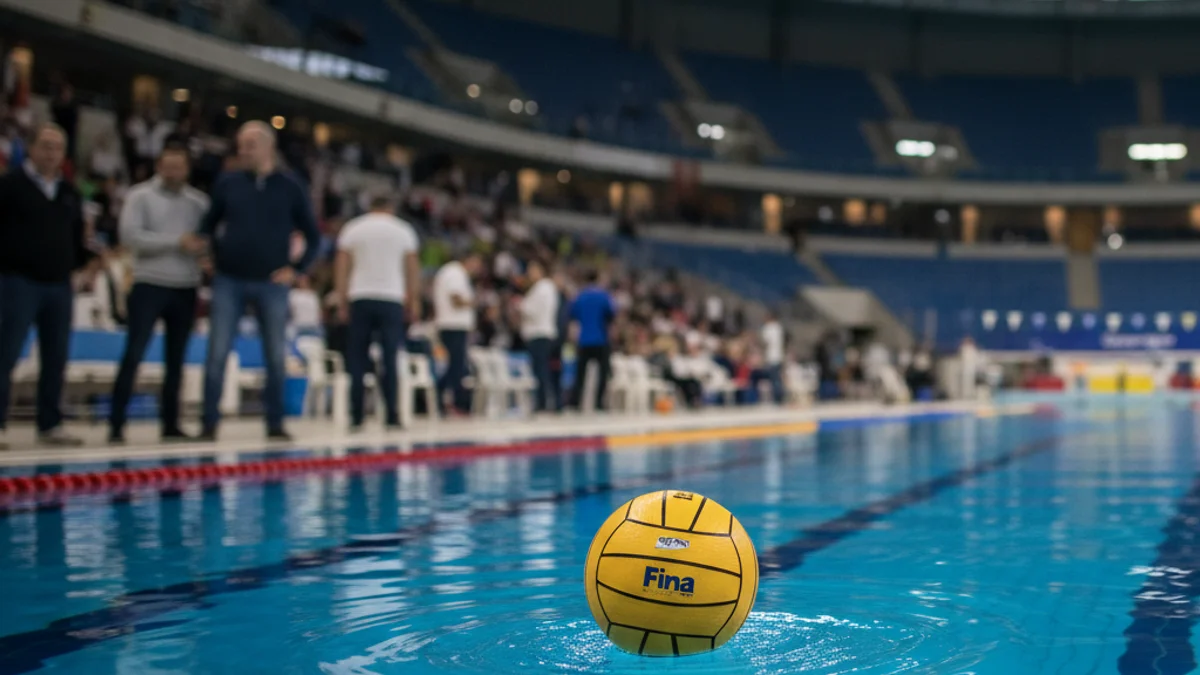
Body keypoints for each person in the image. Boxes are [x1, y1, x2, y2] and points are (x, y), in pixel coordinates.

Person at [197, 121, 320, 441]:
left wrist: (297, 269)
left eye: (249, 144)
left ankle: (275, 423)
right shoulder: (228, 183)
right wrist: (206, 256)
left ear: (268, 147)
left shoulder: (290, 186)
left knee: (276, 356)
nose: (242, 151)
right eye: (240, 144)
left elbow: (313, 235)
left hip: (271, 282)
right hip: (229, 279)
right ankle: (208, 423)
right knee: (217, 352)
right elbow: (207, 225)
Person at [0, 123, 93, 448]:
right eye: (45, 146)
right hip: (17, 281)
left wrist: (80, 267)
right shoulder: (10, 186)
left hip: (58, 285)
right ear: (31, 148)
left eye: (57, 148)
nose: (51, 153)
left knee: (56, 357)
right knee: (6, 353)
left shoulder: (69, 192)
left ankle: (50, 424)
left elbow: (78, 237)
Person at [108, 146, 209, 443]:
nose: (173, 172)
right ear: (159, 166)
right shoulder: (140, 196)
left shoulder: (198, 202)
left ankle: (170, 424)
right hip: (148, 283)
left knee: (176, 360)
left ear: (187, 169)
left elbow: (206, 239)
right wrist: (177, 242)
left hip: (185, 286)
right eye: (168, 166)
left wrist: (201, 248)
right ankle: (116, 423)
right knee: (134, 352)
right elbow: (130, 236)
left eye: (179, 167)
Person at [334, 195, 420, 431]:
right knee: (390, 358)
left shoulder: (354, 228)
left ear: (369, 206)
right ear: (390, 207)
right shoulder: (403, 230)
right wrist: (413, 301)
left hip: (360, 296)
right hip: (391, 298)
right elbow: (411, 269)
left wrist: (341, 300)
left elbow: (342, 266)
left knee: (357, 358)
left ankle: (357, 416)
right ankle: (391, 415)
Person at [433, 253, 482, 414]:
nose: (478, 268)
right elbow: (456, 299)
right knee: (456, 366)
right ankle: (453, 401)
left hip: (452, 325)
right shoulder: (455, 273)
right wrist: (474, 302)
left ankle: (443, 398)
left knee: (455, 365)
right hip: (453, 326)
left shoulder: (453, 273)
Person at [569, 270, 615, 411]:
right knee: (602, 373)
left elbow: (573, 315)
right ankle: (599, 403)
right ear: (598, 279)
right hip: (601, 339)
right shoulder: (603, 296)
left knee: (580, 374)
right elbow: (611, 315)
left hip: (583, 339)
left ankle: (576, 403)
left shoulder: (580, 296)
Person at [519, 260, 558, 412]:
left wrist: (521, 306)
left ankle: (542, 402)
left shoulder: (543, 288)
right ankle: (542, 401)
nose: (529, 273)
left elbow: (534, 311)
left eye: (532, 269)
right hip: (540, 333)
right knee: (539, 369)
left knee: (540, 370)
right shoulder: (543, 288)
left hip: (539, 333)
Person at [760, 311, 785, 404]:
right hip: (779, 356)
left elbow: (765, 343)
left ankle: (777, 399)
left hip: (771, 356)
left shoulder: (768, 328)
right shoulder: (779, 327)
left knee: (774, 379)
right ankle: (780, 397)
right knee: (778, 378)